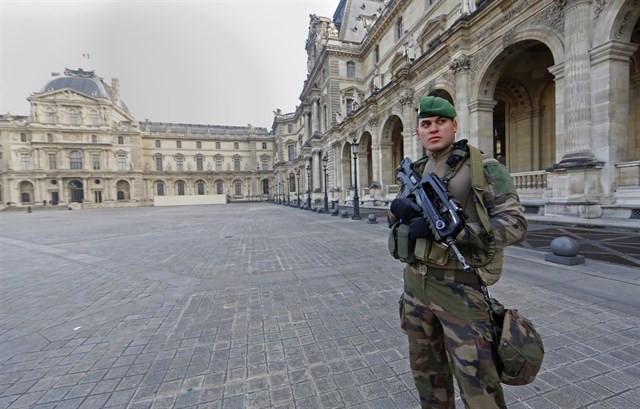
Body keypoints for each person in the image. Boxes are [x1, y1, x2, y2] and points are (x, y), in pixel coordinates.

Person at [388, 96, 527, 408]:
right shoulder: (416, 170)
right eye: (426, 124)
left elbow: (515, 224)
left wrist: (460, 231)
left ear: (454, 125)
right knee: (427, 376)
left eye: (440, 122)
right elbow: (397, 219)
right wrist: (398, 211)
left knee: (478, 384)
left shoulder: (484, 168)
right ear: (418, 132)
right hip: (415, 285)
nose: (433, 129)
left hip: (460, 288)